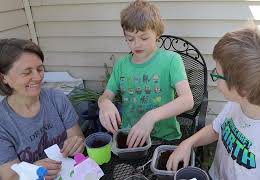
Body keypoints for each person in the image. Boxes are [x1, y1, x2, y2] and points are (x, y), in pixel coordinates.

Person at [166, 27, 260, 179]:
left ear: (242, 90)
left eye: (218, 74)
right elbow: (216, 130)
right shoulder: (236, 104)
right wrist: (188, 143)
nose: (214, 77)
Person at [98, 0, 194, 148]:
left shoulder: (171, 60)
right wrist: (104, 104)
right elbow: (106, 96)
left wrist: (151, 116)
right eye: (130, 39)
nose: (136, 44)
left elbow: (187, 100)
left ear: (157, 33)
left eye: (144, 38)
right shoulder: (122, 65)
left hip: (164, 138)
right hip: (130, 136)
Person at [0, 38, 84, 180]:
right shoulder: (3, 124)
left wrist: (77, 143)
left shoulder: (57, 98)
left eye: (39, 69)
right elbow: (9, 177)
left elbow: (77, 137)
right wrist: (33, 172)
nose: (38, 77)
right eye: (27, 72)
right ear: (4, 78)